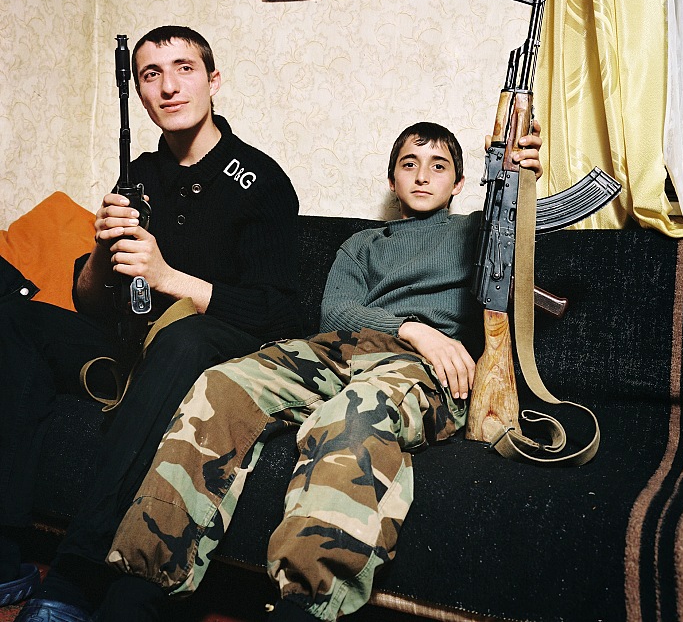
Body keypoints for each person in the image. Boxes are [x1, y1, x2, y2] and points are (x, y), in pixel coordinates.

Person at [99, 120, 542, 622]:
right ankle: (138, 586)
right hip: (341, 350)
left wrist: (520, 176)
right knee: (222, 383)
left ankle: (303, 607)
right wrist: (413, 326)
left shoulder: (478, 233)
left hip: (424, 369)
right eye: (409, 165)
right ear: (392, 179)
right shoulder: (361, 245)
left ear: (460, 183)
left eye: (438, 166)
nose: (422, 176)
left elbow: (520, 243)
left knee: (353, 413)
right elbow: (336, 313)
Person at [5, 26, 301, 622]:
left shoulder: (262, 181)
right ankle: (8, 545)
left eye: (184, 68)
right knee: (10, 311)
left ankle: (75, 573)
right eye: (150, 74)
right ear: (140, 92)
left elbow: (279, 313)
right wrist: (100, 247)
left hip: (214, 343)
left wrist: (168, 275)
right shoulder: (137, 173)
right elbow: (90, 301)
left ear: (213, 81)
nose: (169, 86)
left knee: (183, 337)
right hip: (126, 345)